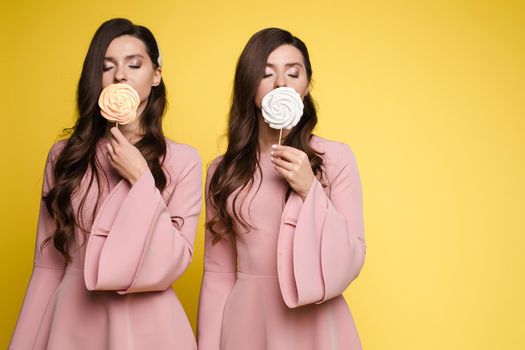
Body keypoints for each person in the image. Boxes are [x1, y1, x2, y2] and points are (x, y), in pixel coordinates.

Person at [10, 18, 200, 350]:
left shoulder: (184, 160)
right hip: (73, 323)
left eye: (134, 64)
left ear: (156, 75)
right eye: (107, 66)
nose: (120, 75)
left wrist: (141, 178)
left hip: (150, 328)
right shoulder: (64, 156)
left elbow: (176, 260)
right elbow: (46, 266)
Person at [197, 27, 366, 350]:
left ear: (307, 85)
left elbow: (353, 255)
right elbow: (217, 273)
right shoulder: (223, 170)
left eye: (293, 73)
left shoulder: (335, 158)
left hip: (317, 320)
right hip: (247, 322)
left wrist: (309, 188)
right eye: (266, 73)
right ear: (249, 86)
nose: (281, 84)